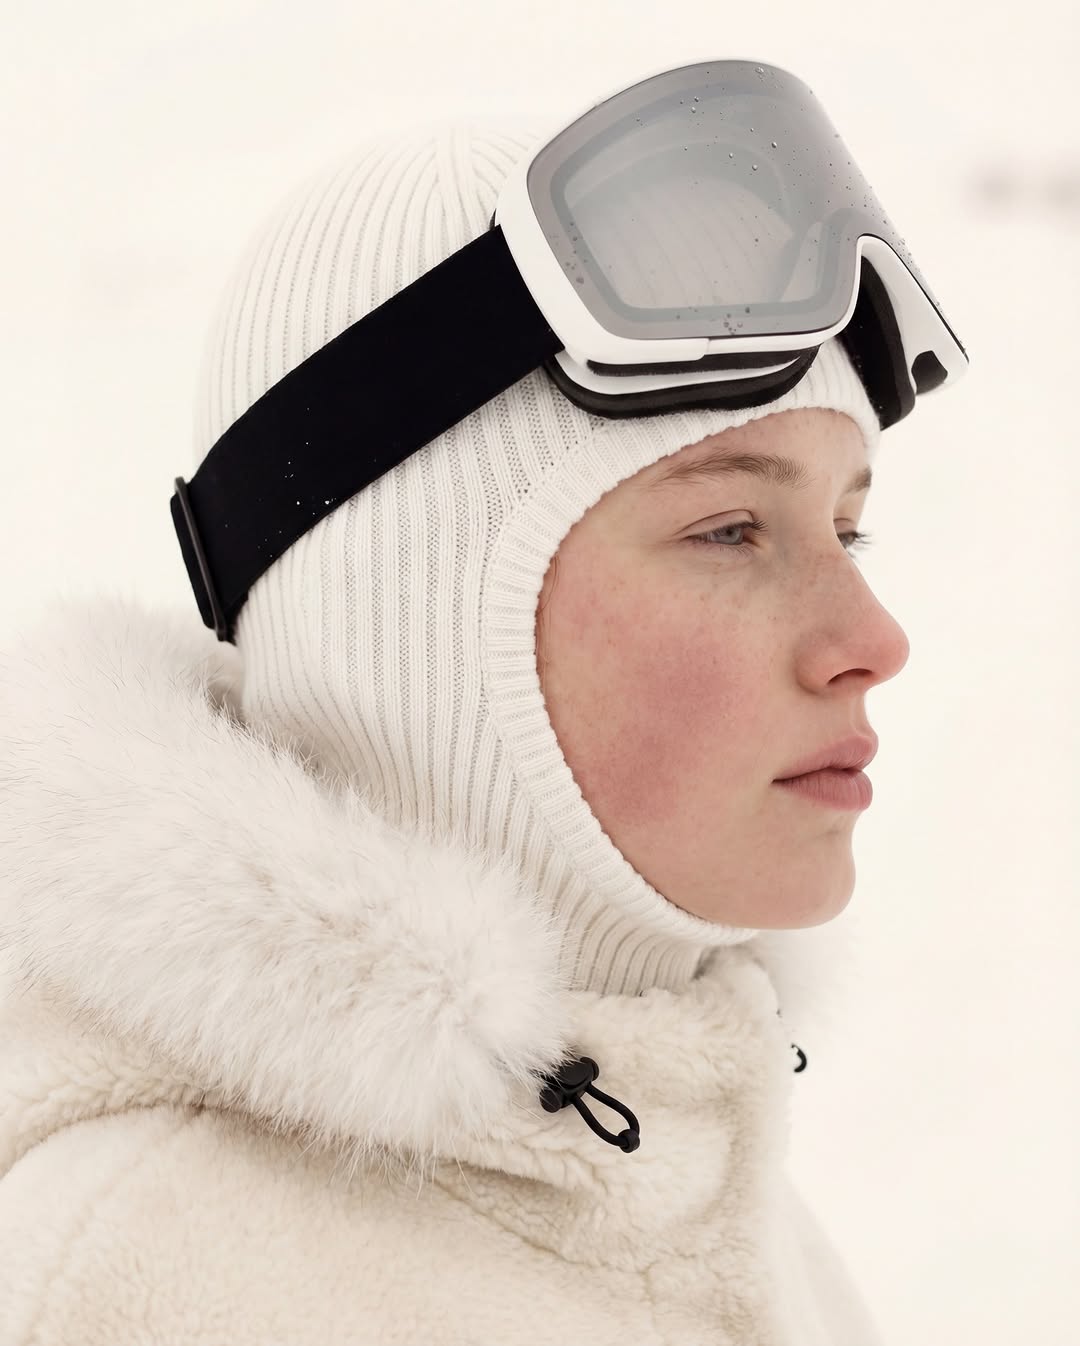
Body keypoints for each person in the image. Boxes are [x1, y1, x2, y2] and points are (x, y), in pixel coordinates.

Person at [0, 117, 916, 1344]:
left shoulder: (687, 1171)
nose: (872, 637)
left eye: (847, 531)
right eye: (729, 530)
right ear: (407, 613)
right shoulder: (157, 1277)